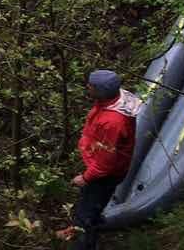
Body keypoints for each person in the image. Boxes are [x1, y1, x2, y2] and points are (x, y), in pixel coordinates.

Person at [59, 69, 142, 249]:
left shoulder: (112, 122)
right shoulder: (113, 99)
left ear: (101, 92)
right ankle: (85, 226)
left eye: (91, 86)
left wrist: (86, 177)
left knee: (85, 213)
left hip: (103, 175)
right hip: (102, 166)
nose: (87, 87)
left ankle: (83, 241)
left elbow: (105, 163)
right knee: (91, 204)